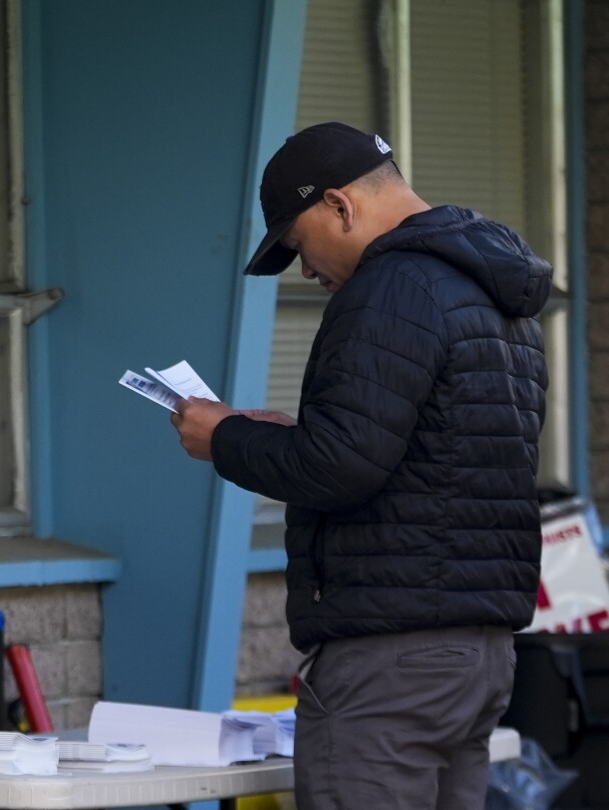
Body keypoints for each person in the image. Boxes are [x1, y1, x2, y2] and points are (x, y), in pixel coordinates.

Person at [170, 122, 549, 809]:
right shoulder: (497, 294)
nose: (309, 271)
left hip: (391, 661)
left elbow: (339, 468)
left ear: (340, 206)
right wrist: (300, 432)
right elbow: (440, 456)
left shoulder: (388, 287)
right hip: (480, 657)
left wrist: (223, 438)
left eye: (298, 245)